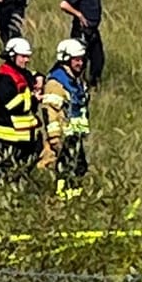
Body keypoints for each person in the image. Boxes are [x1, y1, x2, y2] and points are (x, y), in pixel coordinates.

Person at [39, 38, 92, 200]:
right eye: (76, 60)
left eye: (82, 59)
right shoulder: (56, 83)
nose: (80, 63)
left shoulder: (75, 80)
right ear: (65, 59)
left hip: (75, 134)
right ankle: (62, 198)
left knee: (79, 168)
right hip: (64, 135)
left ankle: (75, 197)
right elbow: (50, 112)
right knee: (65, 169)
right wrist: (55, 138)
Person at [0, 36, 40, 182]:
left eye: (28, 57)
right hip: (7, 133)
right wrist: (33, 99)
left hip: (24, 134)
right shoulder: (3, 77)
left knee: (23, 169)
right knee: (5, 168)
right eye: (23, 56)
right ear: (12, 56)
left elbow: (31, 77)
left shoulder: (21, 72)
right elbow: (12, 104)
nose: (27, 60)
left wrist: (40, 78)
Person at [58, 0, 105, 86]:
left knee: (98, 59)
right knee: (80, 60)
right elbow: (64, 4)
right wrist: (78, 14)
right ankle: (77, 84)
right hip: (82, 31)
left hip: (93, 30)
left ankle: (94, 85)